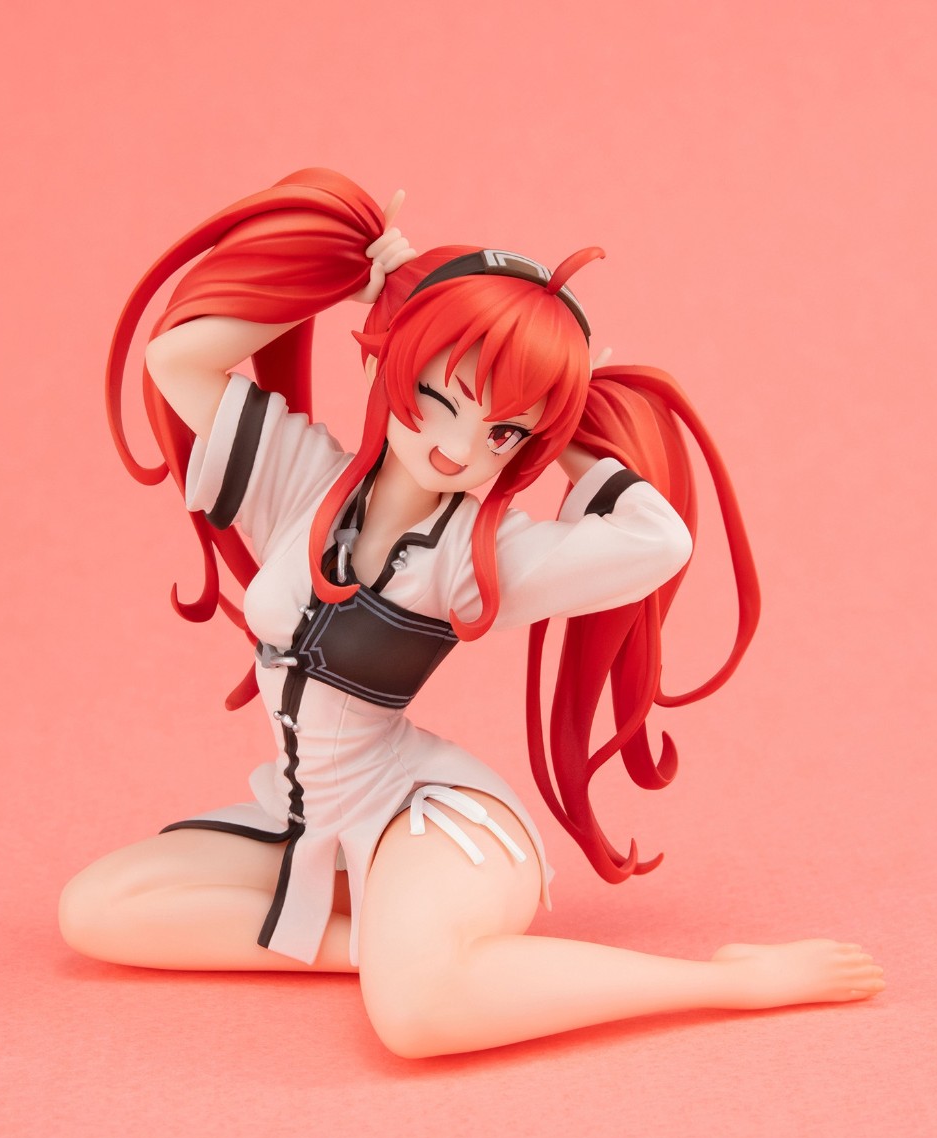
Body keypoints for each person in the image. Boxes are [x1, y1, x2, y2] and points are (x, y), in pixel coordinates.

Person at [60, 169, 885, 1057]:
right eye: (438, 398)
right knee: (98, 909)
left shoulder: (477, 559)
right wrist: (367, 282)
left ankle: (726, 981)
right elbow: (176, 359)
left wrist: (560, 407)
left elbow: (660, 541)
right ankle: (382, 949)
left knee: (416, 1017)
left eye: (501, 433)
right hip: (309, 820)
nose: (457, 448)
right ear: (387, 363)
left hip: (430, 817)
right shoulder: (298, 481)